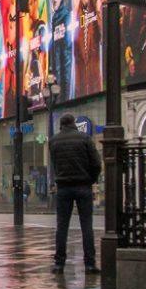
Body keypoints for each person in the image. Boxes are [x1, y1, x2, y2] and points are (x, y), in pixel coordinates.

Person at [49, 113, 102, 275]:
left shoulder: (54, 141)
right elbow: (96, 163)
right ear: (73, 124)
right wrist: (91, 179)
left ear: (61, 125)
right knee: (86, 226)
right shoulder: (85, 139)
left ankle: (59, 264)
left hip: (63, 187)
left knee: (61, 227)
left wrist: (60, 178)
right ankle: (90, 264)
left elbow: (54, 164)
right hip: (83, 185)